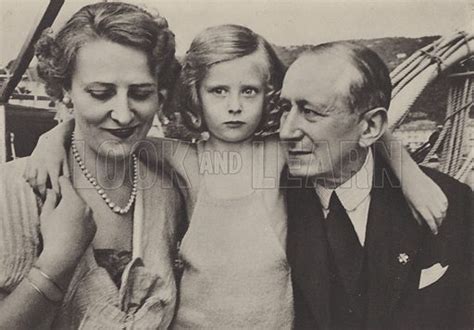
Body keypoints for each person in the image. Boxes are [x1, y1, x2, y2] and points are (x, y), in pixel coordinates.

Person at [25, 25, 448, 328]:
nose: (234, 106)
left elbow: (365, 130)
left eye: (249, 91)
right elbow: (104, 131)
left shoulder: (281, 151)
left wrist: (410, 175)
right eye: (218, 91)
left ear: (270, 96)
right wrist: (51, 138)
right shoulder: (183, 158)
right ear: (195, 95)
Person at [0, 2, 185, 329]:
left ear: (160, 93)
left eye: (141, 93)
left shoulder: (170, 191)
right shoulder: (11, 192)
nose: (124, 115)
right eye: (101, 93)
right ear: (65, 91)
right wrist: (54, 265)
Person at [279, 41, 472, 329]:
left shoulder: (452, 202)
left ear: (370, 127)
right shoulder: (269, 204)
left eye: (310, 112)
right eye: (285, 108)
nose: (286, 131)